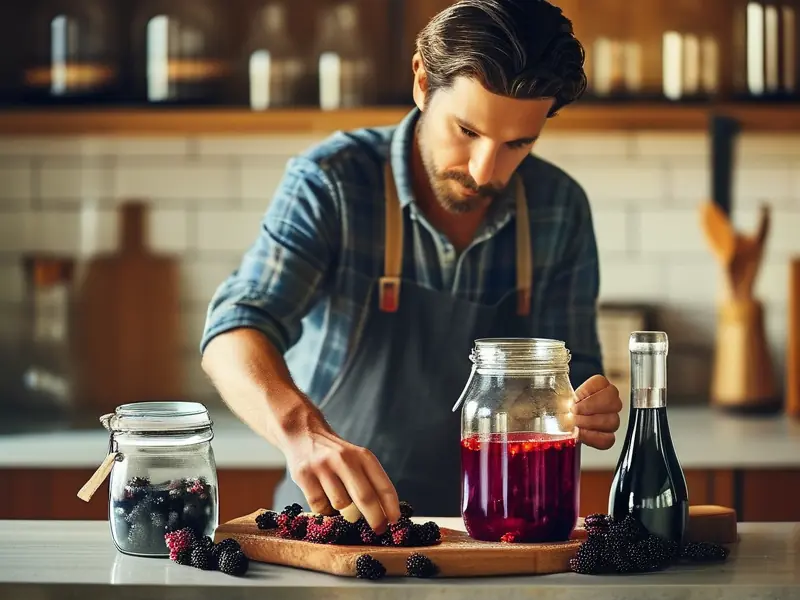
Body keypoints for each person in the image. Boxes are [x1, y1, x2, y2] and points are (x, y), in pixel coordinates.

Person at [200, 0, 622, 534]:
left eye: (518, 143)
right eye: (467, 131)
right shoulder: (331, 181)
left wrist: (590, 403)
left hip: (499, 534)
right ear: (422, 81)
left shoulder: (560, 207)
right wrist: (301, 432)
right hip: (339, 525)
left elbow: (574, 371)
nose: (483, 172)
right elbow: (235, 328)